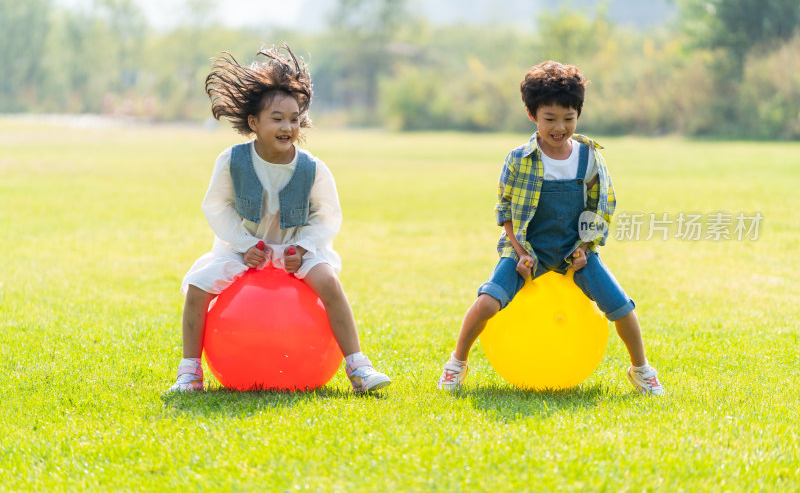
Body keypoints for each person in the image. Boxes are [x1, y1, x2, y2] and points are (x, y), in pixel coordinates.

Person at [169, 44, 391, 393]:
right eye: (277, 119)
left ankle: (358, 367)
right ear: (254, 123)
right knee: (197, 289)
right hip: (240, 248)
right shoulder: (232, 160)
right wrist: (243, 246)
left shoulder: (312, 168)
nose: (288, 126)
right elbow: (216, 206)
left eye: (295, 119)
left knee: (330, 284)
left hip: (295, 248)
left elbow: (327, 216)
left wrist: (304, 247)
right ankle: (190, 372)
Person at [437, 61, 664, 396]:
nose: (560, 127)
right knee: (487, 302)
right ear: (532, 115)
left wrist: (585, 250)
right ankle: (456, 363)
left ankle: (641, 369)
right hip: (527, 249)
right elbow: (506, 211)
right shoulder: (519, 158)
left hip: (575, 251)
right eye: (550, 119)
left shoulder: (588, 157)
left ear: (578, 115)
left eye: (568, 119)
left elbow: (602, 206)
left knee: (621, 307)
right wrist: (520, 252)